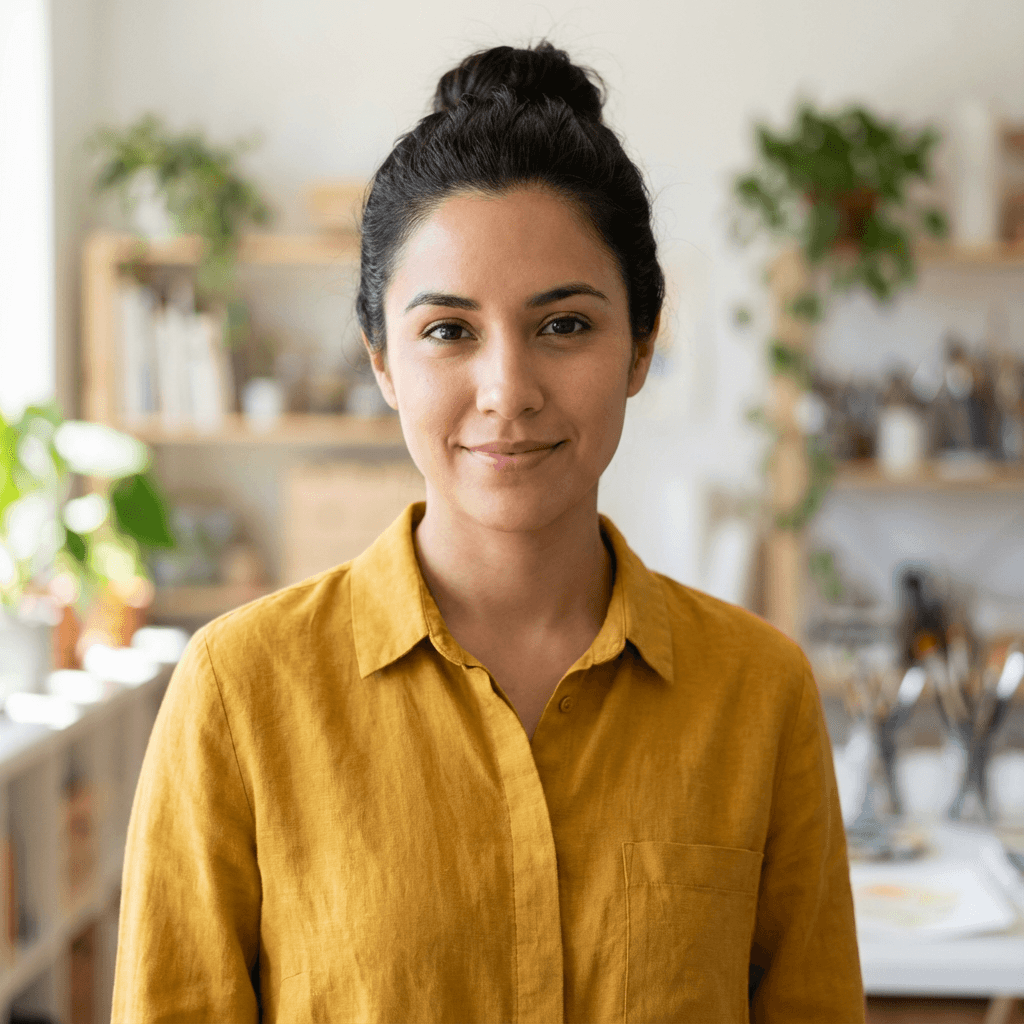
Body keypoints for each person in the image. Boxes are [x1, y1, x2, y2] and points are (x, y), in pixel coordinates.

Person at [112, 42, 864, 1024]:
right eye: (448, 330)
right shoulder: (238, 692)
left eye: (563, 325)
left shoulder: (759, 693)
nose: (506, 390)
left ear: (641, 343)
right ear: (382, 360)